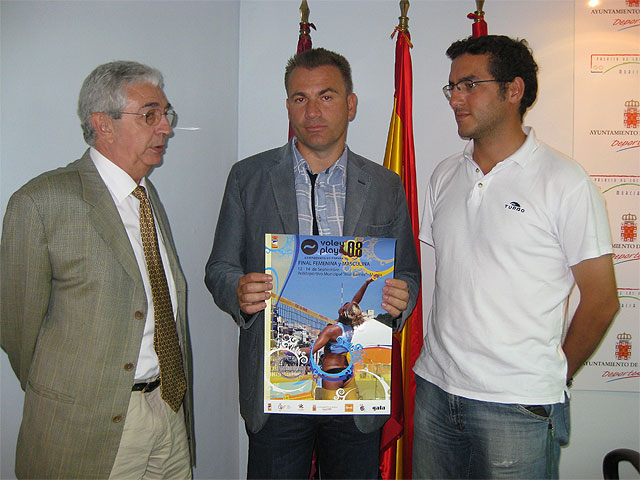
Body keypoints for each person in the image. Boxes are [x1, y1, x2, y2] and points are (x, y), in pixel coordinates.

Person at [205, 48, 420, 479]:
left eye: (326, 96)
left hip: (357, 387)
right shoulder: (248, 177)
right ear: (288, 106)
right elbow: (219, 268)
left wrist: (401, 297)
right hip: (276, 386)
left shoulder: (384, 184)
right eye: (300, 98)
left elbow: (409, 276)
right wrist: (238, 290)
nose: (313, 111)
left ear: (350, 104)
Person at [413, 35, 619, 479]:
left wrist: (549, 376)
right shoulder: (444, 175)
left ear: (513, 90)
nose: (456, 99)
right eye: (452, 87)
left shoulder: (565, 181)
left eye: (470, 84)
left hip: (517, 406)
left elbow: (602, 301)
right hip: (435, 391)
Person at [1, 61, 194, 479]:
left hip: (167, 408)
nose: (165, 128)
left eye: (166, 114)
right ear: (103, 124)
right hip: (91, 428)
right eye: (150, 115)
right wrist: (72, 393)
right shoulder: (42, 202)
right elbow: (16, 330)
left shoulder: (145, 196)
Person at [309, 276, 375, 399]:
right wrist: (366, 283)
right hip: (347, 373)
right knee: (351, 411)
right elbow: (355, 302)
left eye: (344, 305)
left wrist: (290, 351)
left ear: (341, 312)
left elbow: (311, 350)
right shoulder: (350, 325)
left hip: (332, 375)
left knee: (329, 413)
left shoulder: (332, 330)